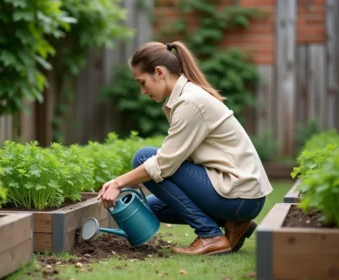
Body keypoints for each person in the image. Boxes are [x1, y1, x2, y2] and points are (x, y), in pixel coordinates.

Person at [96, 41, 273, 256]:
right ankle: (235, 225)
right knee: (152, 208)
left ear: (159, 73)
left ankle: (210, 236)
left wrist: (118, 182)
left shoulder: (190, 102)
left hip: (239, 196)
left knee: (144, 158)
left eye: (142, 82)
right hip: (241, 197)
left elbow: (164, 164)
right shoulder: (186, 96)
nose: (142, 91)